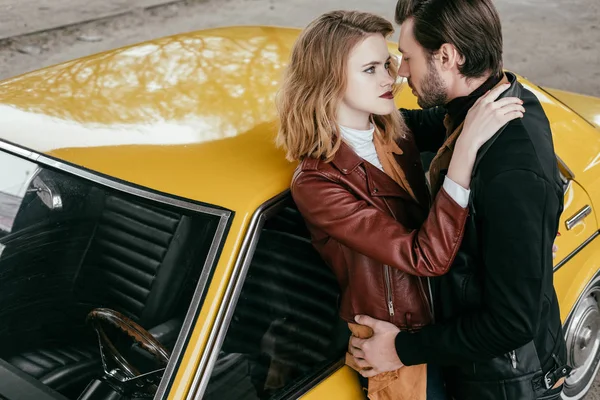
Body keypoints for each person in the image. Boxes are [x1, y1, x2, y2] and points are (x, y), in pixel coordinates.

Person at [275, 10, 524, 400]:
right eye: (371, 69)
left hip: (443, 318)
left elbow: (469, 102)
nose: (392, 78)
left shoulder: (393, 128)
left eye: (389, 63)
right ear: (327, 78)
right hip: (391, 342)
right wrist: (463, 155)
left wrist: (518, 235)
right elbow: (424, 256)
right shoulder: (318, 183)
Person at [349, 1, 570, 399]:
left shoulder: (511, 168)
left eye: (407, 58)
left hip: (509, 384)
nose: (400, 72)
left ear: (447, 57)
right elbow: (413, 129)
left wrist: (399, 350)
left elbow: (511, 323)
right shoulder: (491, 100)